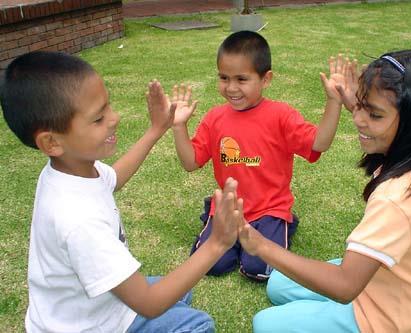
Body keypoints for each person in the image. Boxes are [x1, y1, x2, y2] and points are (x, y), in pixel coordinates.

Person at [1, 50, 241, 333]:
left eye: (108, 106)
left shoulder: (68, 168)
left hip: (85, 307)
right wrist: (217, 243)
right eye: (98, 118)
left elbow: (112, 178)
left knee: (179, 293)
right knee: (197, 324)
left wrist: (156, 129)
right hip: (92, 326)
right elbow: (149, 304)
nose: (114, 118)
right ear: (51, 142)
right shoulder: (78, 221)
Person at [236, 50, 411, 332]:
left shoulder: (396, 199)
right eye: (361, 106)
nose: (359, 120)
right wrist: (356, 102)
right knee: (278, 284)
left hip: (384, 321)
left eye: (373, 114)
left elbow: (344, 286)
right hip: (383, 281)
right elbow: (383, 119)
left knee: (264, 324)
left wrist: (261, 245)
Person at [168, 30, 343, 281]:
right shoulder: (214, 118)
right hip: (229, 209)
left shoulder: (281, 115)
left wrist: (333, 102)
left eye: (241, 79)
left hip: (269, 209)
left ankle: (283, 224)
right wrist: (178, 127)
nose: (231, 88)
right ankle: (214, 213)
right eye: (224, 78)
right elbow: (190, 162)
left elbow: (320, 143)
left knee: (258, 269)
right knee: (211, 266)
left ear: (266, 79)